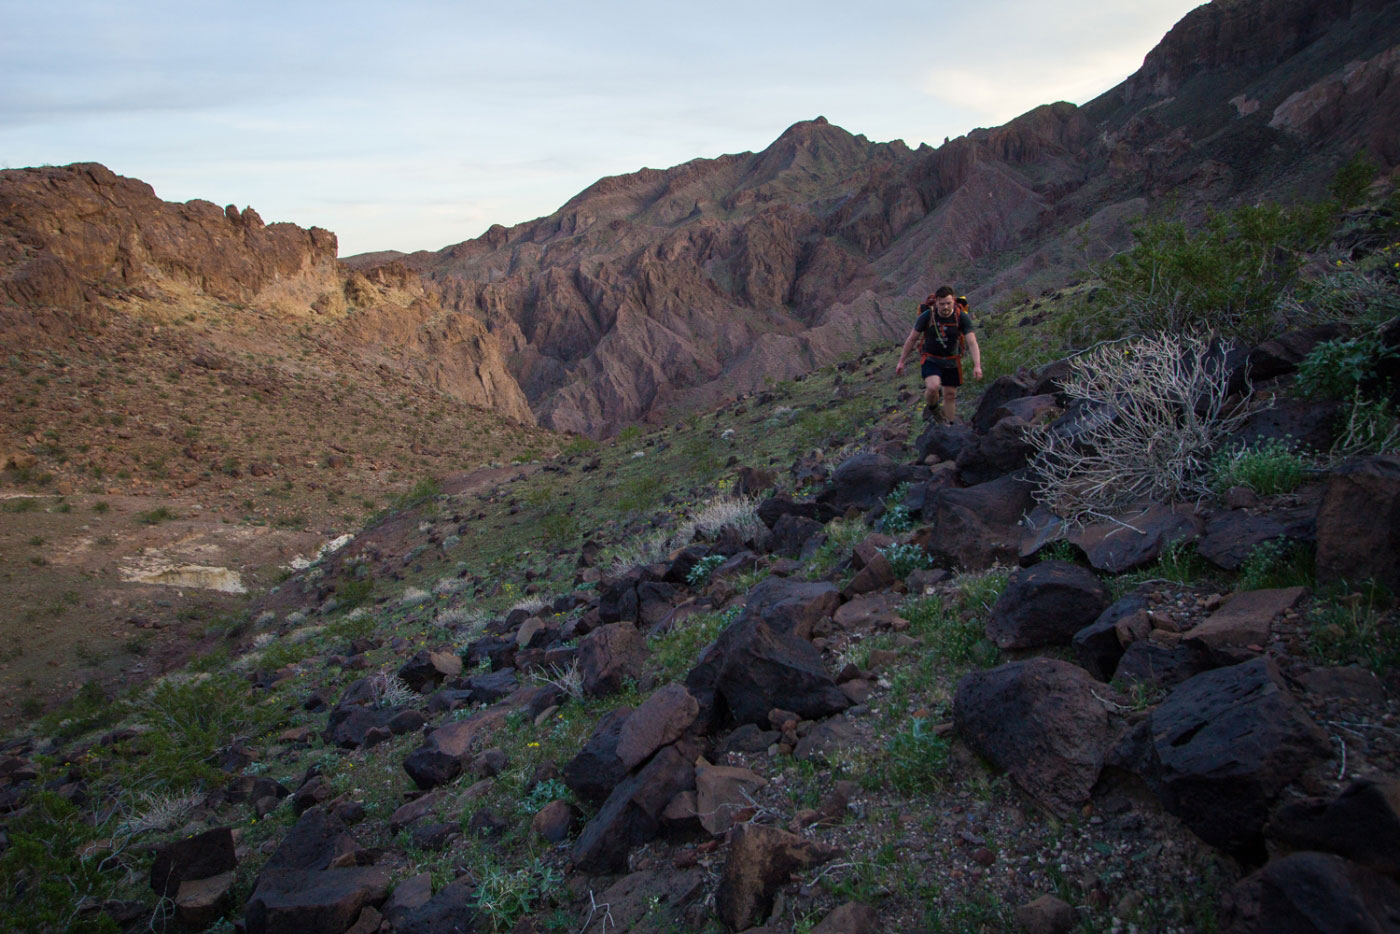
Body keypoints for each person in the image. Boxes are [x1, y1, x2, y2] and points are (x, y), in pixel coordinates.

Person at [895, 285, 983, 423]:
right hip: (931, 358)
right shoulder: (927, 316)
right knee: (933, 386)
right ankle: (934, 408)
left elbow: (972, 342)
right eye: (942, 304)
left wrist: (977, 365)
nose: (946, 307)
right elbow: (912, 339)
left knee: (950, 394)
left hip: (952, 360)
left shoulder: (961, 317)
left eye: (948, 303)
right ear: (936, 302)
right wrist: (901, 361)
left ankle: (950, 425)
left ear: (953, 301)